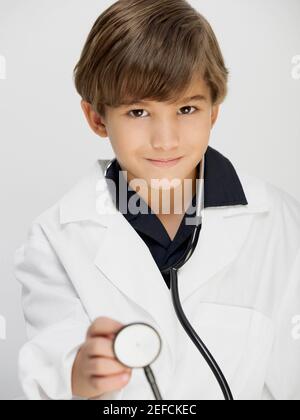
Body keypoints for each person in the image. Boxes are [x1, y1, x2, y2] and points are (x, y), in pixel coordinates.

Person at [14, 0, 300, 400]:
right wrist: (76, 376)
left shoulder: (282, 225)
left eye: (186, 108)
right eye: (137, 112)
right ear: (97, 118)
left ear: (213, 111)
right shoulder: (56, 237)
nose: (166, 140)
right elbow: (52, 365)